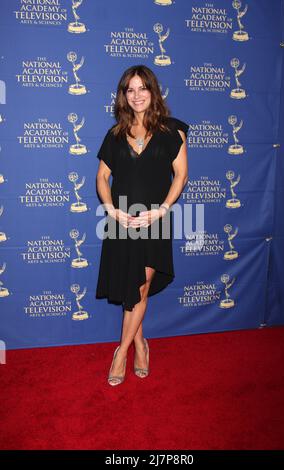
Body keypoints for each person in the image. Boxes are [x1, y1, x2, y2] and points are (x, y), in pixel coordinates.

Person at [96, 64, 189, 386]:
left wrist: (162, 210)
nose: (136, 95)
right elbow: (102, 178)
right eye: (129, 90)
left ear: (153, 91)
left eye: (142, 88)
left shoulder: (172, 130)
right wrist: (111, 210)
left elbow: (181, 175)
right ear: (123, 95)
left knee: (139, 287)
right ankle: (140, 342)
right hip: (121, 221)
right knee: (132, 288)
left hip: (154, 222)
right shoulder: (116, 134)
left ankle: (120, 352)